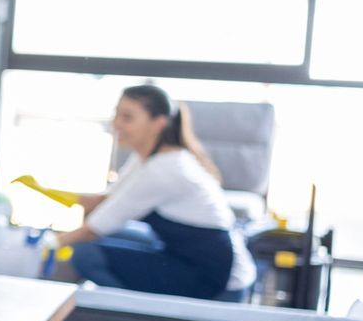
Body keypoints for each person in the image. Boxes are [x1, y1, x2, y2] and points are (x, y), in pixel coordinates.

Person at [19, 85, 255, 301]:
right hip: (188, 255)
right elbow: (104, 201)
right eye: (116, 114)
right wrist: (43, 190)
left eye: (127, 117)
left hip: (216, 279)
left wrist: (37, 248)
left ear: (158, 123)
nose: (116, 124)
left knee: (84, 254)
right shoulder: (147, 157)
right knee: (122, 234)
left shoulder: (165, 169)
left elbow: (93, 229)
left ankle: (131, 315)